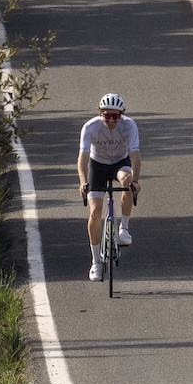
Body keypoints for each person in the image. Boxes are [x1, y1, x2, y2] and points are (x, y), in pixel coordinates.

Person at [77, 92, 141, 281]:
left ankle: (124, 229)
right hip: (97, 165)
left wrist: (136, 181)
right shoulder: (90, 127)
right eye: (107, 115)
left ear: (122, 114)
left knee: (127, 181)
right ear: (100, 113)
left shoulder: (129, 125)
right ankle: (96, 262)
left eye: (116, 116)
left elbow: (135, 155)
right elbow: (82, 158)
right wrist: (83, 182)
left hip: (120, 163)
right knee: (95, 212)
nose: (112, 120)